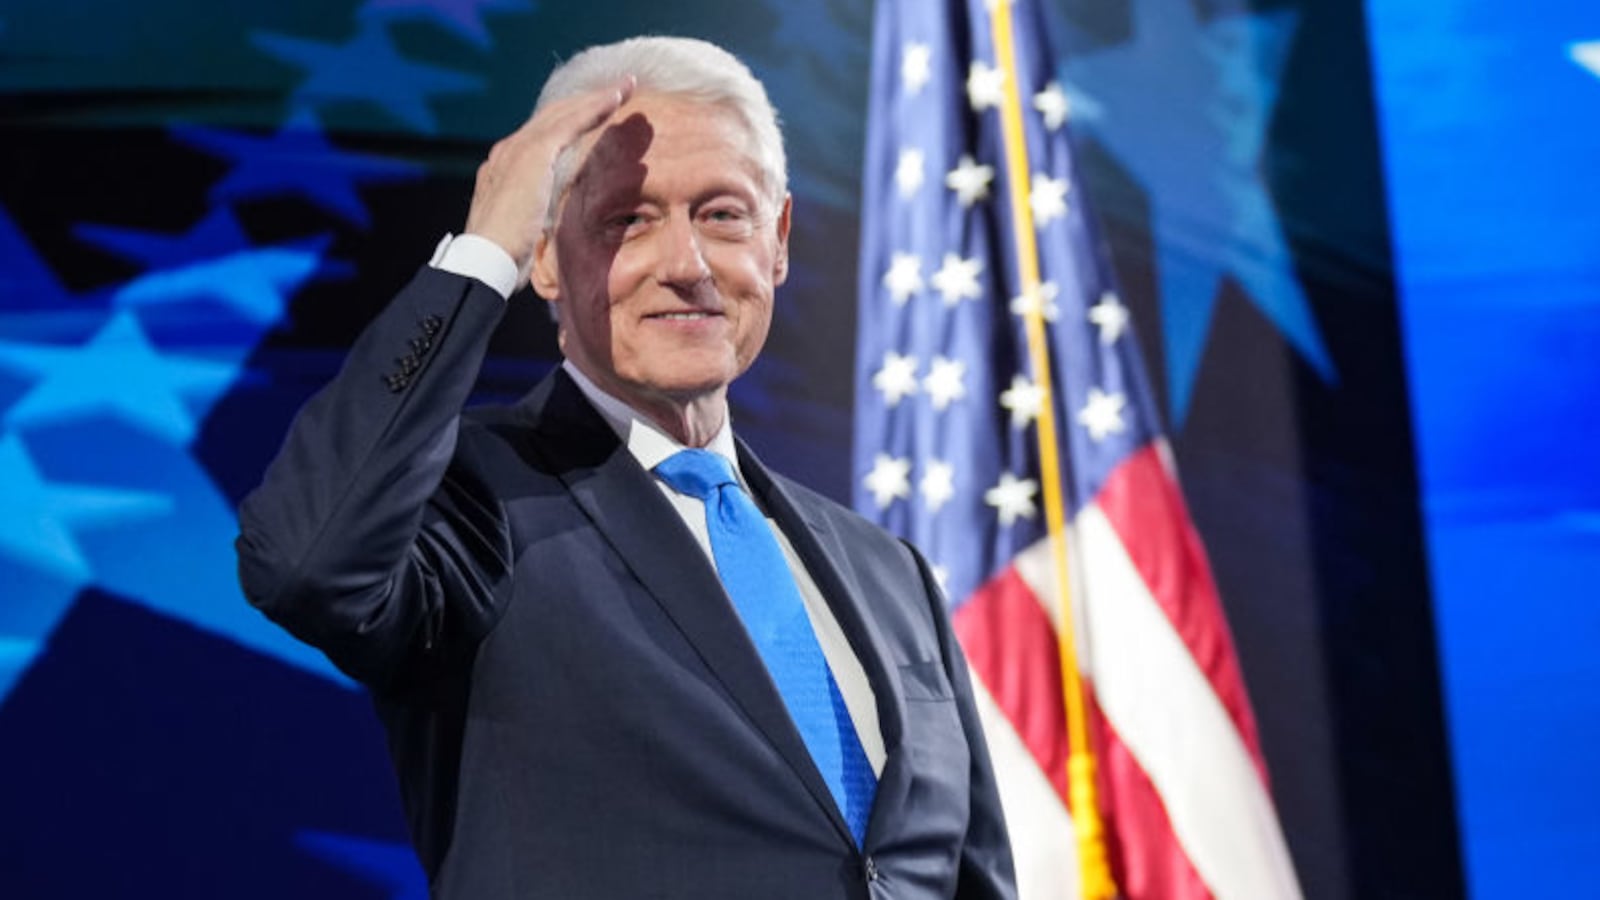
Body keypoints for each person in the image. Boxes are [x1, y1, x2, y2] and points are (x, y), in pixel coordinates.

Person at [236, 35, 1016, 900]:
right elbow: (304, 563)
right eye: (627, 221)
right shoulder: (467, 503)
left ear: (780, 239)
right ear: (544, 255)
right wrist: (483, 247)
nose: (685, 265)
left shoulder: (888, 570)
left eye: (723, 214)